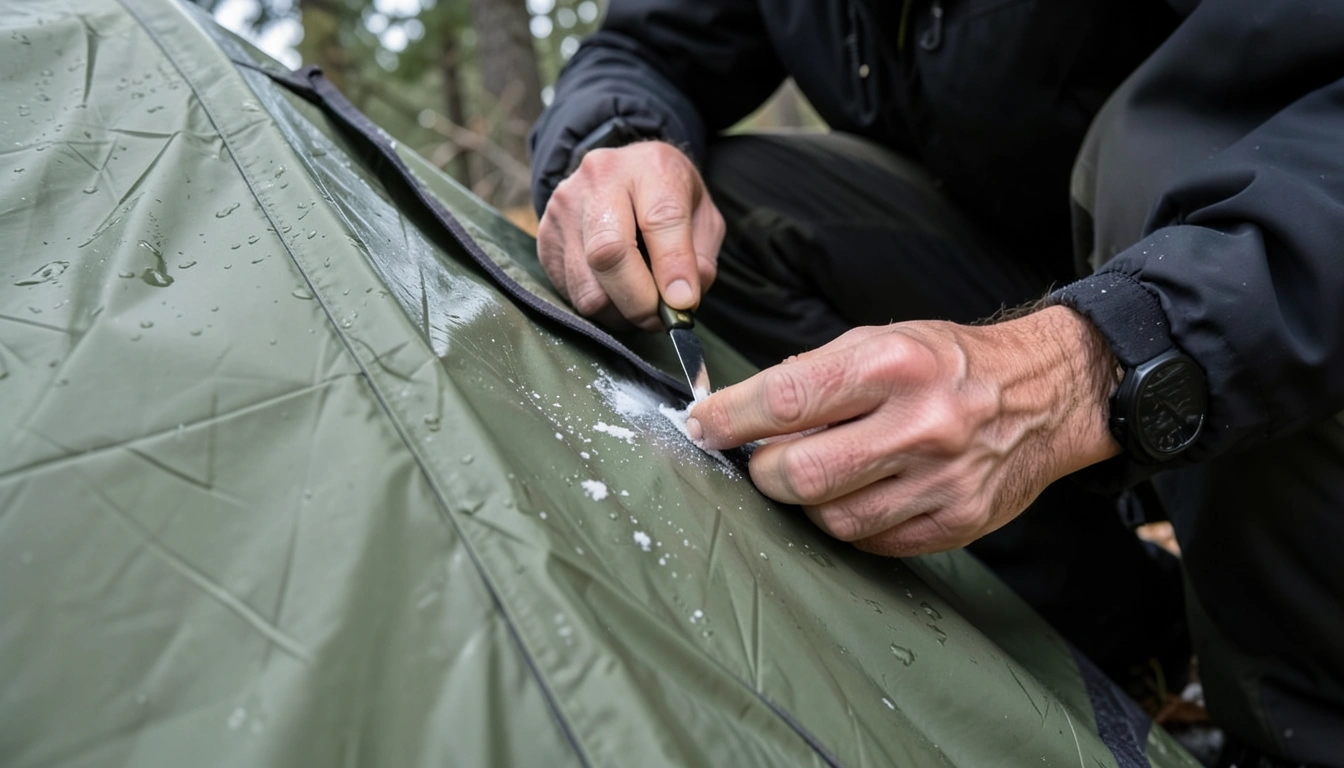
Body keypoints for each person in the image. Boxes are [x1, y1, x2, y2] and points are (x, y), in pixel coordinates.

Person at [527, 1, 1344, 765]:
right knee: (730, 208)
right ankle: (1125, 632)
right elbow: (652, 45)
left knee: (1162, 154)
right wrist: (617, 139)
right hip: (1015, 267)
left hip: (1257, 270)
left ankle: (1297, 724)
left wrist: (1097, 357)